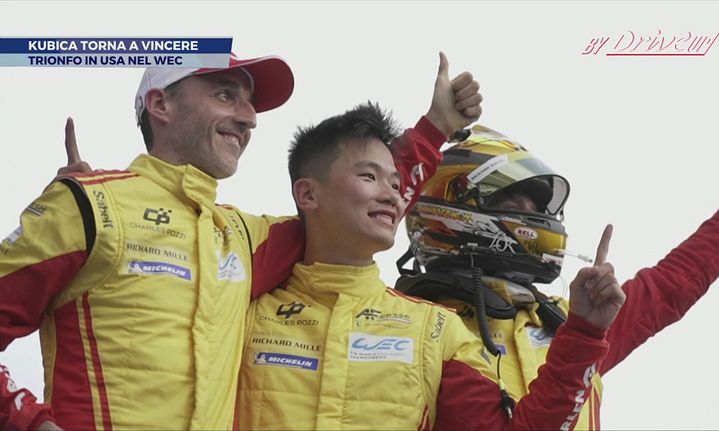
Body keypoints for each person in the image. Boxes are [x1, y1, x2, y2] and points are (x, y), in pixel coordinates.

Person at [0, 52, 482, 430]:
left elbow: (347, 208)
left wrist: (435, 128)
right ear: (161, 104)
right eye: (226, 95)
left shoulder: (242, 238)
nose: (249, 117)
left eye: (249, 105)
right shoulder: (90, 206)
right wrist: (30, 421)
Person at [234, 102, 627, 430]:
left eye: (396, 184)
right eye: (369, 176)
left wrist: (584, 332)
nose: (391, 195)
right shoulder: (240, 301)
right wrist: (435, 126)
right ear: (307, 194)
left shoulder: (434, 329)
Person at [395, 96, 719, 429]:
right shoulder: (415, 328)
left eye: (536, 207)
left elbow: (675, 282)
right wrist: (431, 131)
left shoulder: (571, 320)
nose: (533, 216)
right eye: (513, 203)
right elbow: (363, 206)